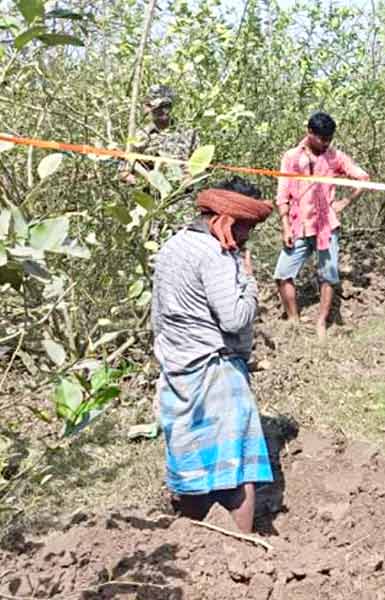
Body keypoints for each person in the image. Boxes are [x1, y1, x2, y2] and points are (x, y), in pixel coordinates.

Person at [151, 177, 274, 533]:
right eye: (248, 226)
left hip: (177, 369)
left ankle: (196, 544)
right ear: (229, 219)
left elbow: (158, 315)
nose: (248, 235)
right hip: (215, 369)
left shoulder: (173, 245)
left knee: (192, 464)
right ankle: (240, 548)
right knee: (237, 469)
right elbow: (234, 318)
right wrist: (250, 283)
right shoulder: (216, 252)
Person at [274, 111, 369, 338]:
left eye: (329, 139)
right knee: (282, 274)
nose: (326, 144)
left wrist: (345, 202)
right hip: (298, 225)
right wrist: (285, 226)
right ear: (310, 133)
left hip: (326, 226)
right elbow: (282, 193)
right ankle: (294, 320)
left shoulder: (335, 156)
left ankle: (321, 324)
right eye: (322, 139)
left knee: (328, 275)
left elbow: (363, 178)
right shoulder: (291, 157)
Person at [119, 84, 198, 185]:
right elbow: (123, 172)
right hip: (150, 197)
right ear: (149, 108)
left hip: (183, 196)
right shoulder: (139, 136)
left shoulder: (189, 133)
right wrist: (144, 181)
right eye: (159, 106)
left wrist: (190, 178)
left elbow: (201, 167)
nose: (165, 110)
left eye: (167, 105)